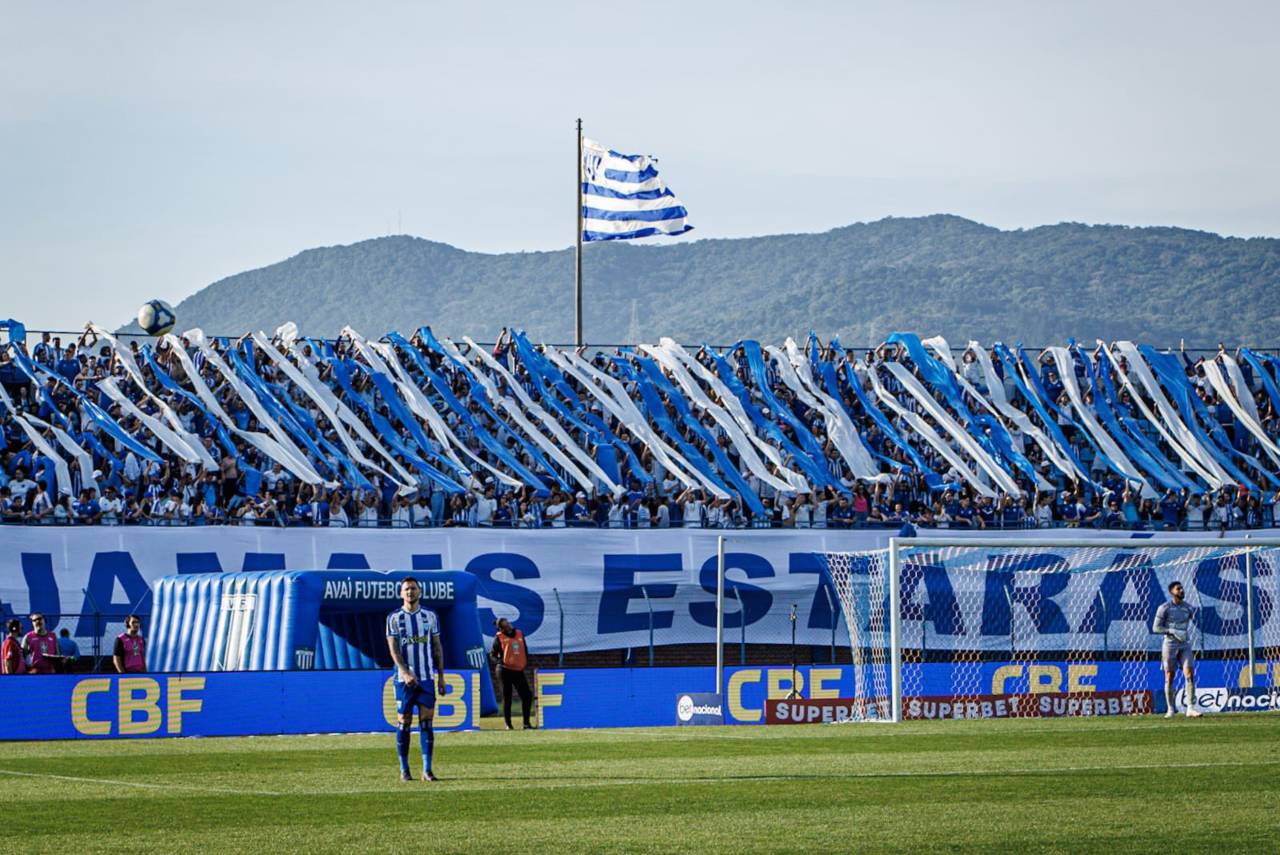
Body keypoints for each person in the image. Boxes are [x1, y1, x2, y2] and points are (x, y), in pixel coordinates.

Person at [385, 576, 446, 782]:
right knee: (404, 722)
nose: (410, 592)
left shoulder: (430, 616)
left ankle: (427, 770)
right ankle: (404, 769)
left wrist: (441, 677)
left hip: (426, 677)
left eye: (413, 588)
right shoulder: (394, 618)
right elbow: (393, 650)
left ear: (419, 592)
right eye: (406, 589)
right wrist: (405, 672)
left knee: (427, 722)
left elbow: (437, 647)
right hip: (403, 680)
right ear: (401, 593)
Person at [1152, 581, 1201, 718]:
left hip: (1184, 644)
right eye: (1178, 589)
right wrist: (1172, 631)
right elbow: (1156, 628)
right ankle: (1170, 709)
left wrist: (1182, 633)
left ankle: (1190, 708)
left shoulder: (1188, 608)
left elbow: (1189, 621)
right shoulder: (1164, 608)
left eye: (1182, 588)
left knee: (1189, 673)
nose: (1181, 591)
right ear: (1171, 592)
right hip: (1170, 644)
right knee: (1169, 676)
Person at [490, 617, 535, 730]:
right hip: (504, 671)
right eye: (505, 625)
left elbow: (524, 649)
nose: (508, 625)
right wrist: (500, 662)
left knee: (527, 696)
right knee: (507, 697)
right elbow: (492, 655)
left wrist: (524, 661)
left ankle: (526, 724)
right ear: (501, 628)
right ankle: (508, 724)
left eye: (508, 623)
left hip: (518, 670)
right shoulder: (499, 637)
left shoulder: (519, 633)